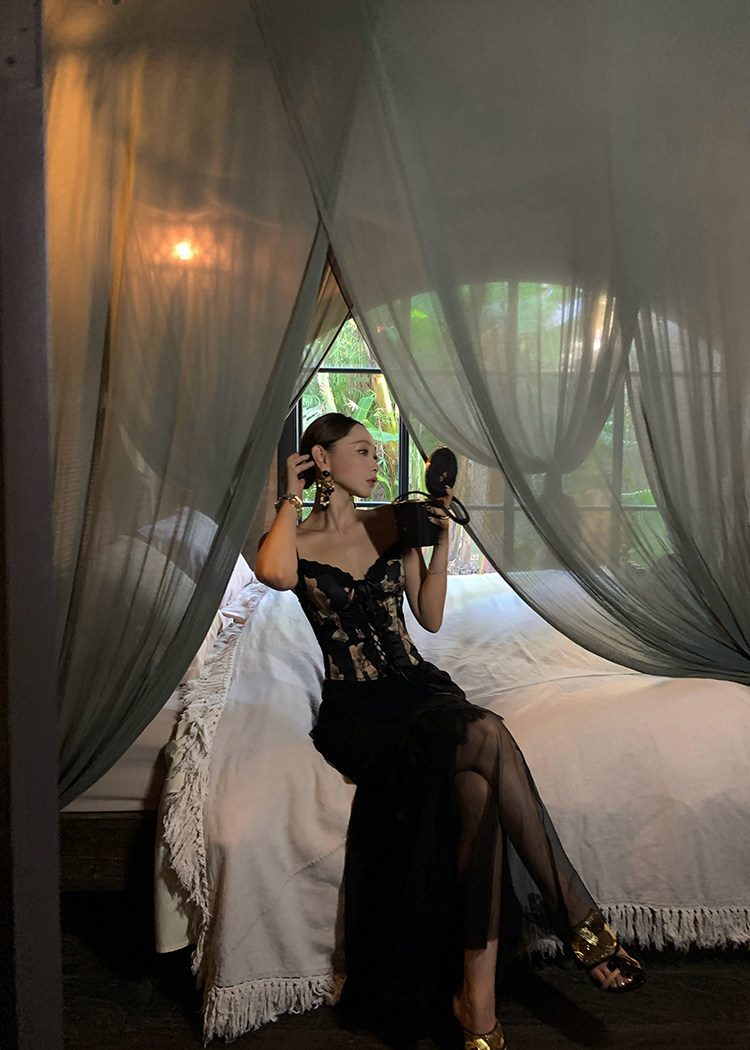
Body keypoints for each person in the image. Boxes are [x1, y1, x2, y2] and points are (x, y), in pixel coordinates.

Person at [255, 412, 643, 1050]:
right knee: (487, 733)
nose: (376, 461)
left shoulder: (394, 524)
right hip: (360, 711)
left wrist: (438, 542)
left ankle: (476, 1005)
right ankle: (580, 921)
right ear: (322, 460)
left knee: (480, 793)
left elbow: (429, 616)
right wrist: (290, 498)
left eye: (376, 451)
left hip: (421, 689)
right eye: (361, 450)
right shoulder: (294, 537)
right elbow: (273, 572)